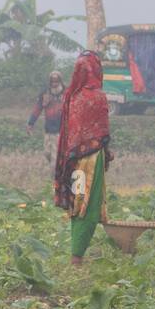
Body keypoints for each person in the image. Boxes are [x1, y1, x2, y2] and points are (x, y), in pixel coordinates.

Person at [55, 51, 113, 265]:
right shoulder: (98, 96)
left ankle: (75, 255)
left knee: (77, 203)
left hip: (73, 163)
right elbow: (103, 132)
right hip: (92, 161)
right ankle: (77, 256)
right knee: (89, 204)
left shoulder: (71, 96)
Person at [27, 70, 66, 163]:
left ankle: (56, 174)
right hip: (48, 129)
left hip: (61, 129)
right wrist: (30, 123)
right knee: (47, 153)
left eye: (56, 81)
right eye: (52, 81)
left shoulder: (66, 93)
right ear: (50, 82)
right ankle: (59, 166)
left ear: (60, 81)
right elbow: (37, 108)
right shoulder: (45, 93)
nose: (54, 84)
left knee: (55, 156)